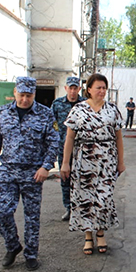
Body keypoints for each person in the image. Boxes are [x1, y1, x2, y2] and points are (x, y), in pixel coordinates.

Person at [0, 76, 59, 271]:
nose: (25, 99)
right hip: (8, 171)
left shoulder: (45, 114)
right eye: (22, 95)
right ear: (15, 92)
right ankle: (13, 245)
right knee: (2, 211)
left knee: (32, 217)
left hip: (33, 173)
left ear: (34, 94)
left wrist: (46, 167)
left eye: (29, 95)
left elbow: (53, 142)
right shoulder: (3, 114)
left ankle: (31, 254)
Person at [60, 73, 125, 255]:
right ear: (89, 90)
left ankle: (101, 232)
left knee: (104, 198)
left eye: (104, 88)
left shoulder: (112, 110)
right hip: (84, 159)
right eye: (98, 87)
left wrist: (121, 161)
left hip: (106, 159)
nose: (102, 91)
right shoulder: (78, 110)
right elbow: (70, 137)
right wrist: (66, 163)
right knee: (85, 198)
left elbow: (118, 137)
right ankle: (88, 236)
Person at [51, 76, 86, 221]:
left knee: (83, 178)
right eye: (70, 88)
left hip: (82, 148)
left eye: (75, 88)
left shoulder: (85, 104)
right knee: (65, 178)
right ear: (66, 88)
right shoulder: (57, 104)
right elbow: (51, 124)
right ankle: (69, 208)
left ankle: (82, 208)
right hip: (63, 147)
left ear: (79, 89)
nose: (72, 91)